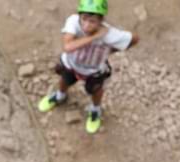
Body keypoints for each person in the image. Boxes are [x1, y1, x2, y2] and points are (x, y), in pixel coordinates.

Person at [38, 0, 139, 134]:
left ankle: (95, 110)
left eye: (92, 21)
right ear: (79, 15)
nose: (86, 25)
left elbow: (134, 38)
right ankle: (60, 96)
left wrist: (111, 51)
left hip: (94, 71)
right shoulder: (74, 21)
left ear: (101, 20)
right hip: (71, 64)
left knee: (96, 90)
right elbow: (67, 47)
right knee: (65, 79)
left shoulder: (110, 34)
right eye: (84, 18)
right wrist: (96, 36)